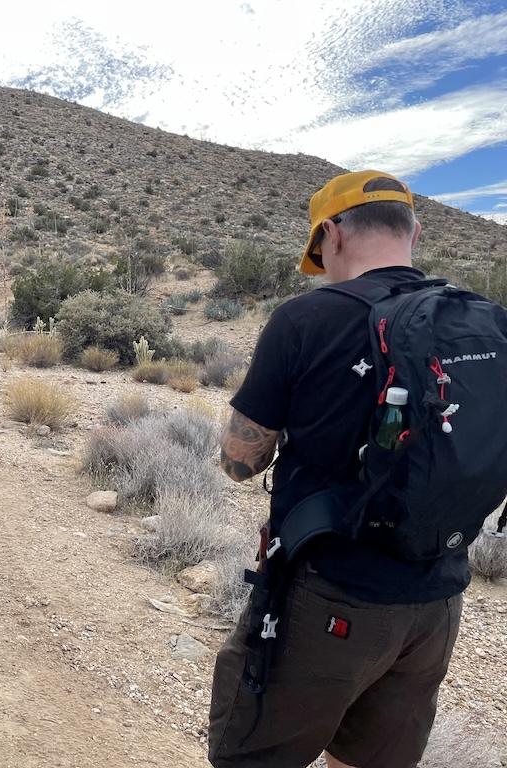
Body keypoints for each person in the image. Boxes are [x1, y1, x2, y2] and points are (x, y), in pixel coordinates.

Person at [207, 170, 466, 768]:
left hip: (330, 596)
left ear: (331, 234)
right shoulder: (475, 319)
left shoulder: (306, 319)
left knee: (252, 755)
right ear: (414, 232)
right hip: (437, 602)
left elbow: (240, 462)